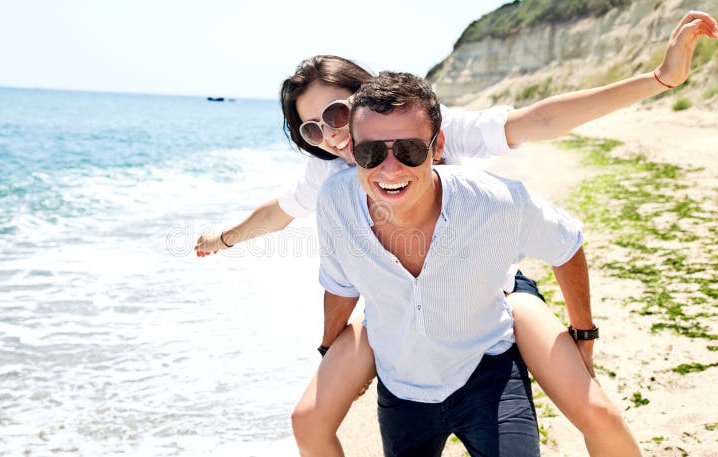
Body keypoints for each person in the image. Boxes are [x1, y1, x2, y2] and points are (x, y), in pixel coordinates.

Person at [194, 11, 717, 456]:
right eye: (312, 129)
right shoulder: (330, 175)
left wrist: (659, 80)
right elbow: (280, 218)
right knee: (308, 416)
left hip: (493, 290)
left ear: (366, 97)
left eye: (335, 113)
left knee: (594, 408)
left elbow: (540, 121)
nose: (332, 136)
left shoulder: (431, 132)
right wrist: (224, 240)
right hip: (395, 309)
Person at [316, 70, 608, 456]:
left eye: (409, 150)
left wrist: (583, 335)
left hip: (489, 373)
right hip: (402, 387)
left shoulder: (495, 202)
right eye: (371, 153)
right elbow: (339, 287)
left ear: (437, 146)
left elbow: (566, 243)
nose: (389, 169)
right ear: (352, 150)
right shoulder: (335, 203)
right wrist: (328, 356)